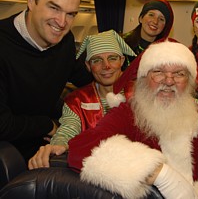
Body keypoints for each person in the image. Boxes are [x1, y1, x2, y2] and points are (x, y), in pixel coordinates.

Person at [67, 41, 198, 198]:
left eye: (179, 74)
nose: (168, 81)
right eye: (158, 72)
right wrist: (160, 174)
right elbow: (84, 148)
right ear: (144, 78)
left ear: (189, 82)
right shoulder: (128, 113)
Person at [0, 0, 92, 163]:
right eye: (54, 8)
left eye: (71, 14)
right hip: (8, 152)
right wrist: (47, 125)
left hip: (47, 144)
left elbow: (79, 74)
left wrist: (118, 77)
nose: (61, 22)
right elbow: (2, 124)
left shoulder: (65, 41)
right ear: (32, 1)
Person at [27, 29, 136, 170]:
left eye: (112, 58)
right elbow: (68, 128)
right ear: (88, 66)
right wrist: (58, 145)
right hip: (94, 170)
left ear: (122, 60)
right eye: (97, 60)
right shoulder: (76, 101)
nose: (106, 66)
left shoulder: (141, 93)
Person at [122, 0, 175, 69]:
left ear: (165, 27)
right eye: (151, 15)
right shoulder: (121, 43)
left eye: (161, 19)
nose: (155, 21)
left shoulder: (166, 53)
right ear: (141, 18)